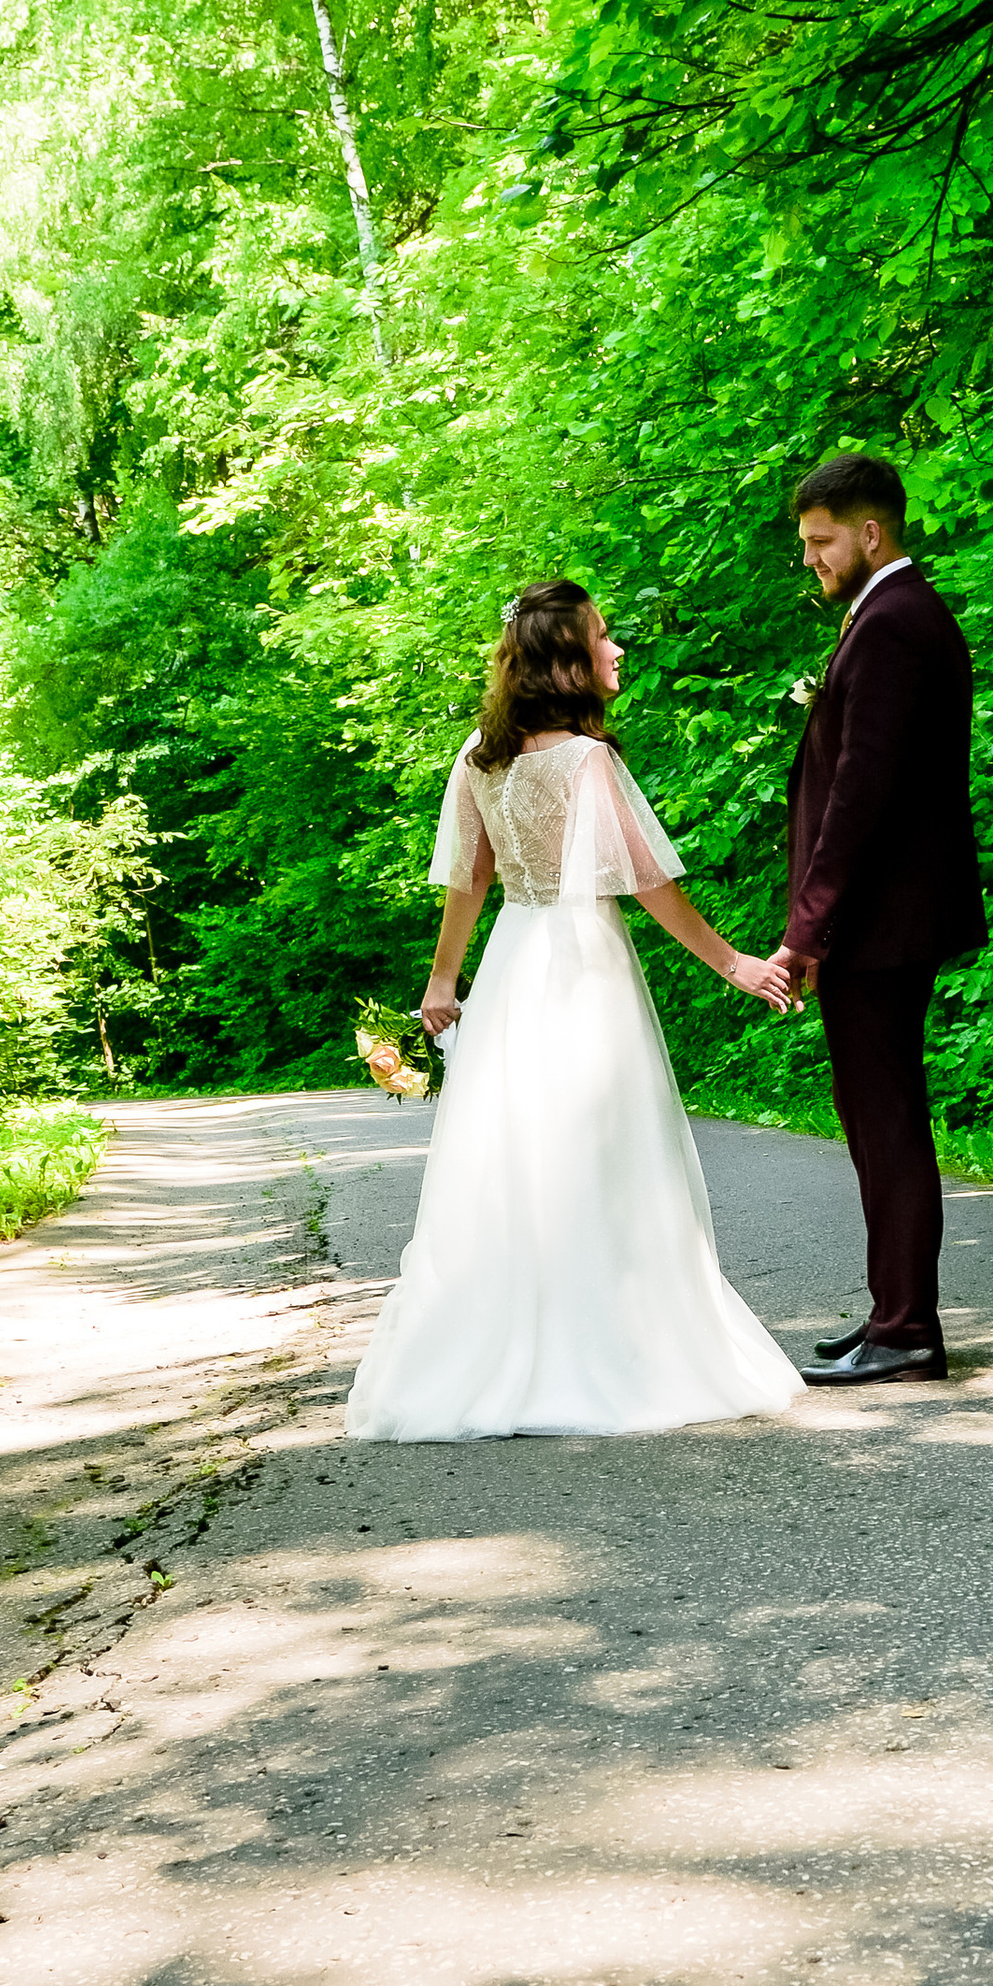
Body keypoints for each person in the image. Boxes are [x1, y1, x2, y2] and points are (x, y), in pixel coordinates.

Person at [344, 582, 803, 1442]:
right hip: (584, 963)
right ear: (567, 660)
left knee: (519, 1153)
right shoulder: (587, 762)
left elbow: (468, 882)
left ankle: (511, 1347)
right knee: (604, 1148)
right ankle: (619, 1350)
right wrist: (732, 962)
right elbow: (648, 882)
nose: (617, 651)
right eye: (603, 637)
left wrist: (445, 984)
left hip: (517, 958)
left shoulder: (480, 755)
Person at [770, 455, 986, 1387]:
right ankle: (892, 1312)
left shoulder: (895, 623)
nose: (811, 558)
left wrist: (807, 929)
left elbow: (864, 794)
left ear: (871, 533)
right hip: (881, 916)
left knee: (887, 1119)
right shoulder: (885, 616)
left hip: (880, 919)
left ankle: (907, 1329)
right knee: (874, 1117)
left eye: (821, 541)